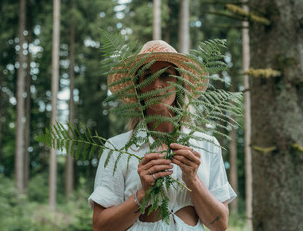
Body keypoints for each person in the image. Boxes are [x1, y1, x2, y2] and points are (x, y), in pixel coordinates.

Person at [88, 40, 237, 231]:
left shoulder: (207, 145)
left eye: (165, 75)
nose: (156, 85)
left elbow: (220, 225)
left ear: (180, 83)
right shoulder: (116, 147)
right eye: (147, 76)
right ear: (138, 87)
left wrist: (193, 180)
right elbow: (100, 227)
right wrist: (143, 194)